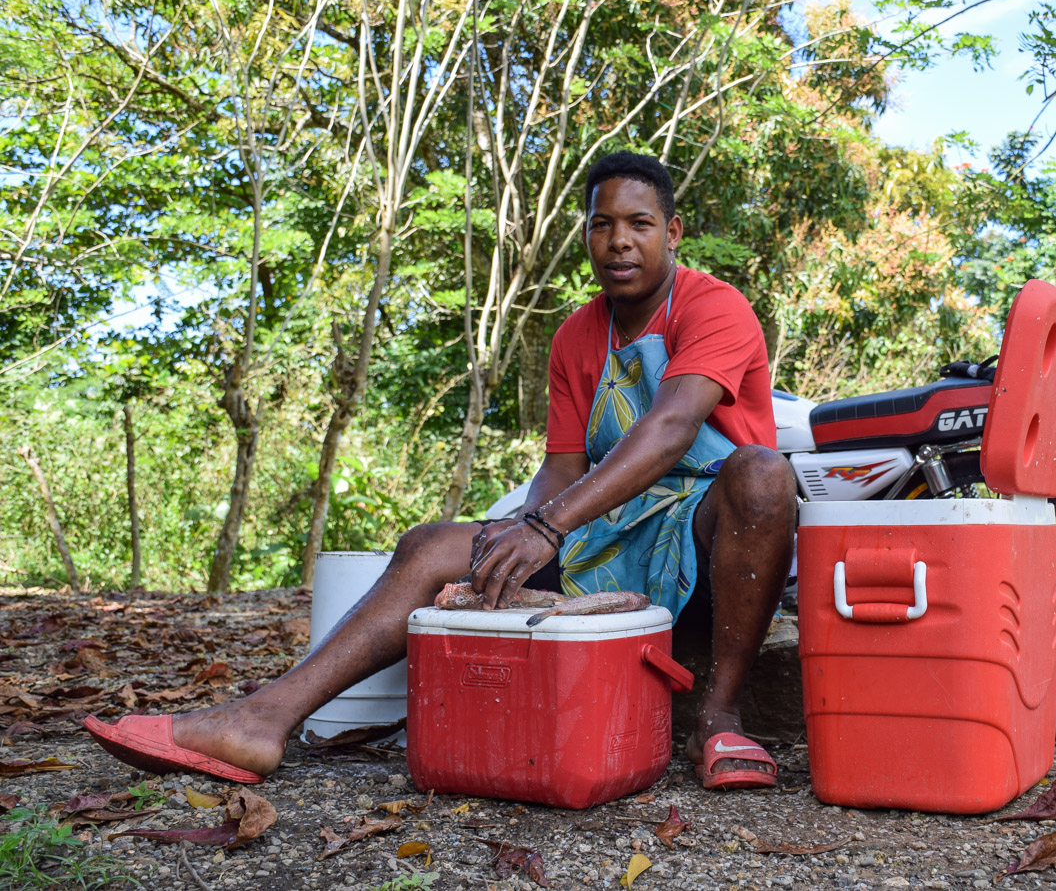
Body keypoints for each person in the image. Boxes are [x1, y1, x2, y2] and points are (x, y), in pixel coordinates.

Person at [84, 151, 798, 791]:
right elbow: (561, 468)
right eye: (601, 223)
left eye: (639, 223)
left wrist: (548, 524)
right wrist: (517, 530)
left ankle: (721, 715)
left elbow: (672, 429)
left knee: (763, 471)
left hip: (707, 540)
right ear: (584, 234)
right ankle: (262, 718)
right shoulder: (576, 335)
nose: (619, 241)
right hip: (603, 534)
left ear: (672, 233)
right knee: (431, 544)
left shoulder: (714, 306)